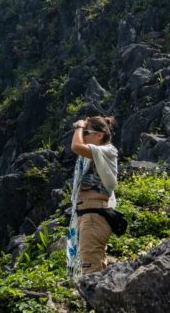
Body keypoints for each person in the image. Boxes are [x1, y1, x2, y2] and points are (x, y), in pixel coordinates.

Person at [67, 116, 118, 278]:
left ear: (99, 135)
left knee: (90, 272)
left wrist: (78, 127)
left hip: (94, 217)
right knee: (92, 267)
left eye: (86, 132)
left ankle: (95, 302)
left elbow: (76, 146)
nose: (83, 135)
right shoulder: (92, 157)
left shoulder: (108, 150)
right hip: (88, 216)